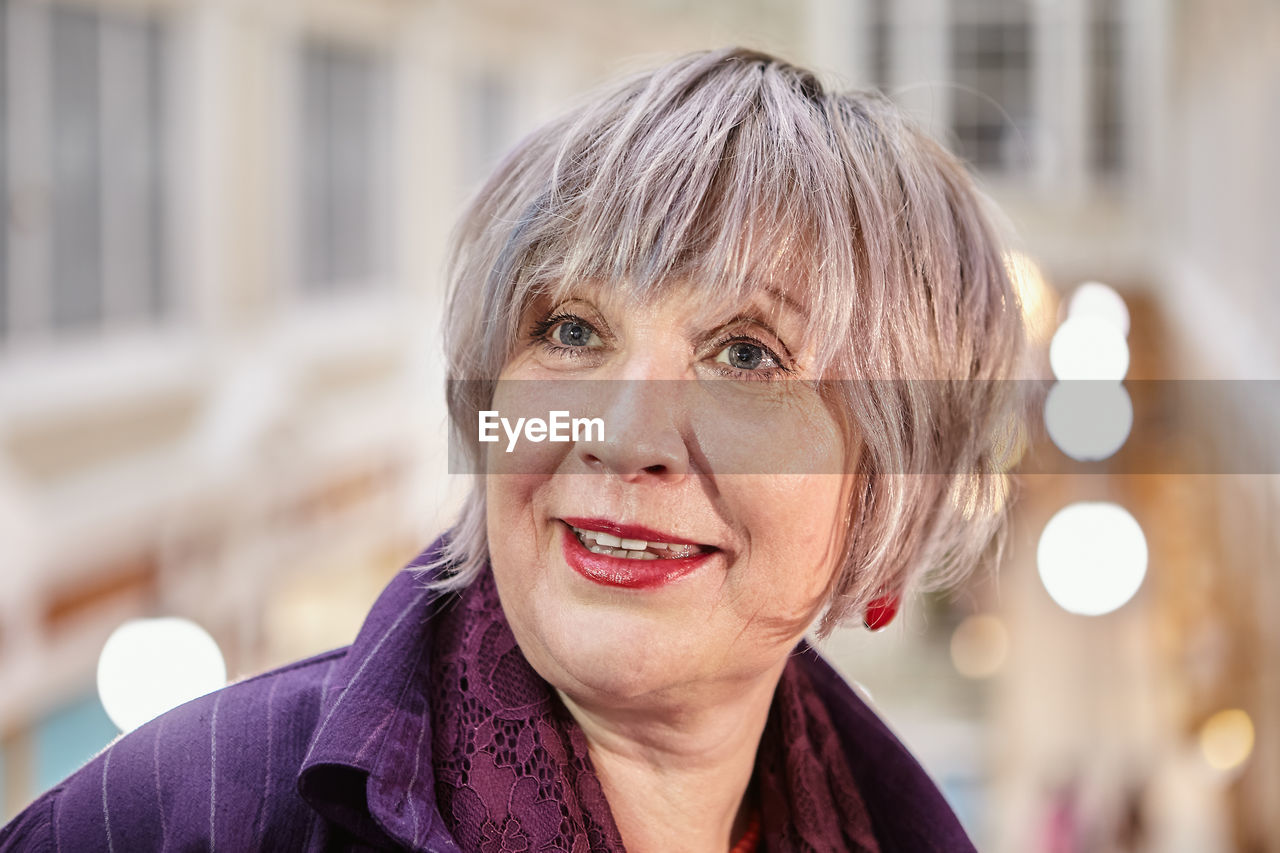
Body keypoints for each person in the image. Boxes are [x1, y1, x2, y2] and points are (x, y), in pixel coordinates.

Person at [1, 47, 1023, 852]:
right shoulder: (183, 815)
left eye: (747, 354)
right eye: (571, 330)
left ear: (883, 490)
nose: (620, 436)